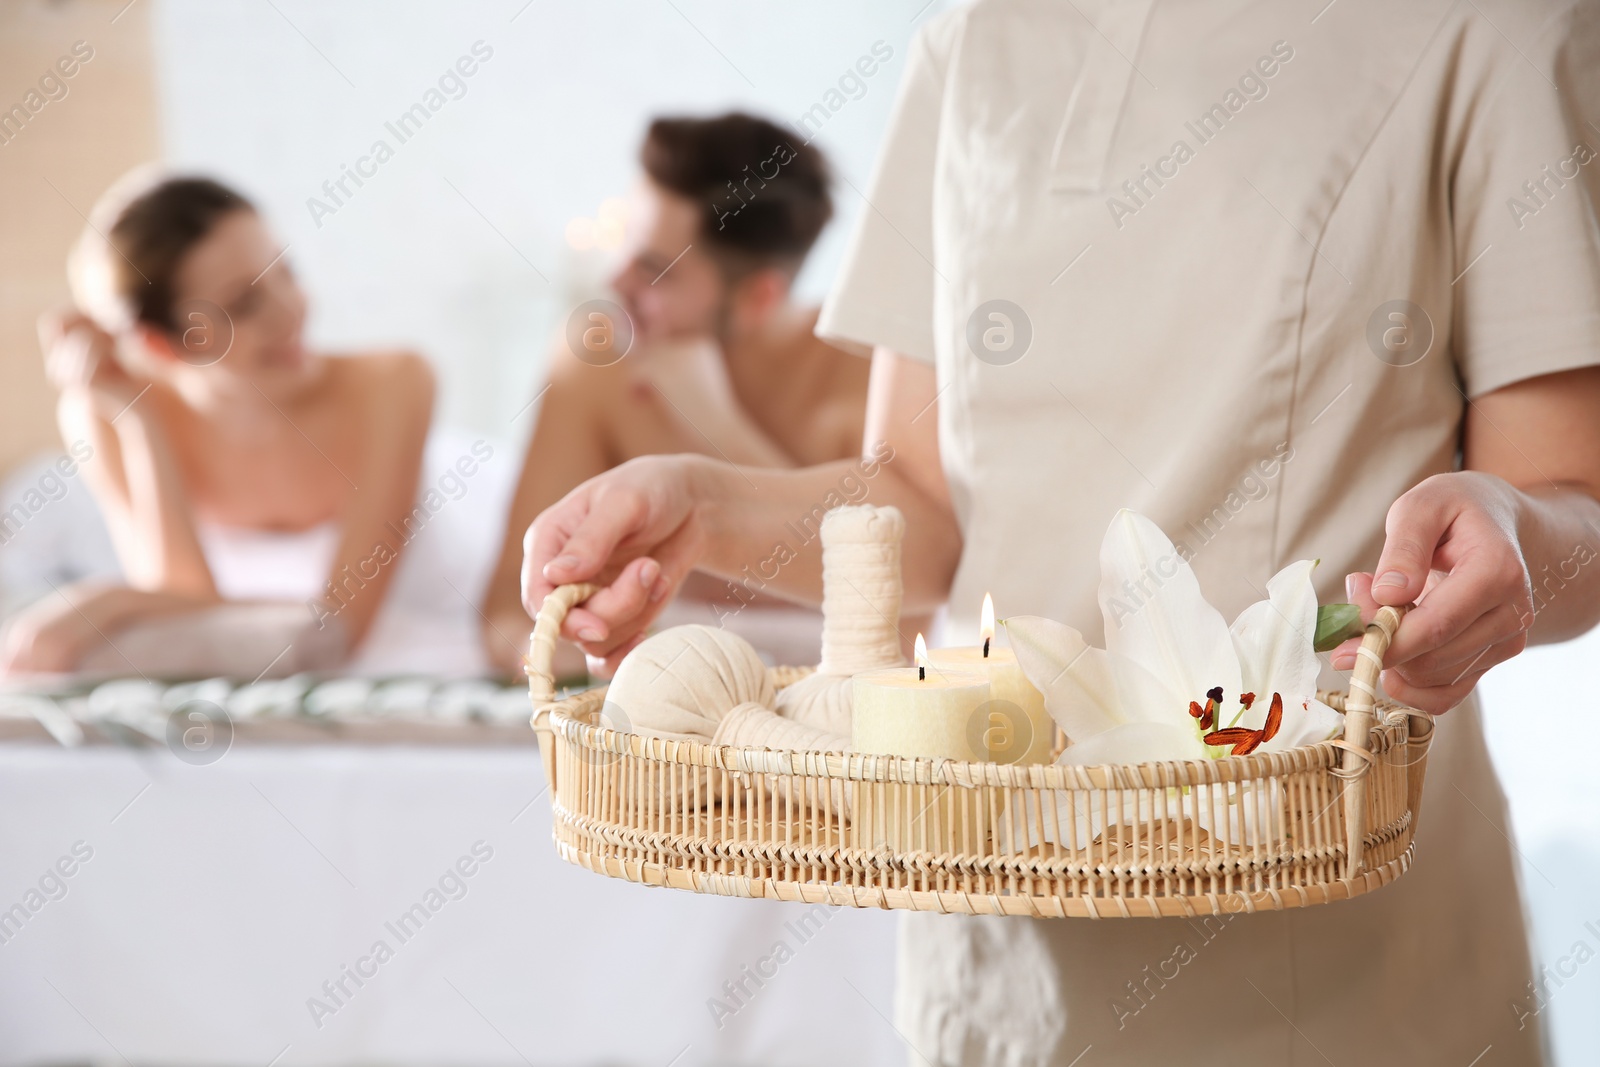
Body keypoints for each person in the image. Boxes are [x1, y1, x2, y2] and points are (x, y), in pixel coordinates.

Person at [519, 3, 1600, 1064]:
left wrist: (1512, 532)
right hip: (994, 932)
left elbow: (1569, 500)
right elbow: (924, 504)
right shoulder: (972, 44)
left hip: (1339, 956)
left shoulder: (1501, 27)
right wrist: (705, 503)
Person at [480, 112, 874, 675]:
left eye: (655, 272)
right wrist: (593, 650)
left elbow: (884, 605)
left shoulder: (863, 381)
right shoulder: (598, 369)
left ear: (758, 298)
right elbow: (504, 618)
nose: (615, 282)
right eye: (624, 249)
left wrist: (716, 424)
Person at [1, 170, 435, 677]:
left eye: (286, 272)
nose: (291, 310)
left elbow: (332, 635)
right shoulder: (107, 413)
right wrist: (139, 422)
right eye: (243, 305)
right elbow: (195, 621)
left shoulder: (394, 382)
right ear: (161, 344)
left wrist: (108, 603)